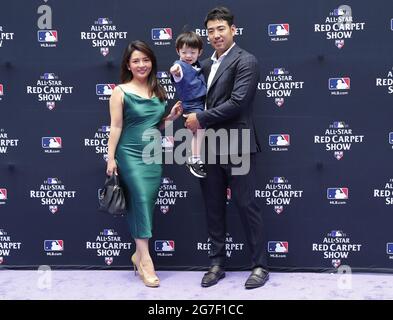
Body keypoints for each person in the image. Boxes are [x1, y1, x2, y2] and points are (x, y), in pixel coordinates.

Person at [185, 7, 269, 289]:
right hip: (209, 146)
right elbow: (196, 97)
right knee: (213, 206)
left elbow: (238, 103)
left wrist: (200, 118)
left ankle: (259, 265)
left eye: (221, 28)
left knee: (246, 205)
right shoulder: (205, 65)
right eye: (210, 30)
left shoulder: (247, 61)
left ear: (233, 30)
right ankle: (217, 262)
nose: (216, 34)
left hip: (237, 145)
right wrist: (183, 109)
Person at [106, 40, 182, 288]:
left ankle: (137, 254)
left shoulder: (159, 90)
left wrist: (169, 118)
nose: (141, 65)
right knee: (138, 198)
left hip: (152, 154)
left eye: (145, 60)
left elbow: (155, 125)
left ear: (152, 62)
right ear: (128, 65)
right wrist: (110, 158)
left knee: (146, 203)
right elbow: (116, 126)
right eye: (136, 60)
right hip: (128, 153)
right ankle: (145, 261)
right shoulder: (120, 91)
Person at [170, 31, 207, 178]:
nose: (188, 55)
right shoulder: (180, 65)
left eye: (192, 52)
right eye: (184, 52)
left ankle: (195, 158)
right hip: (192, 105)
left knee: (198, 132)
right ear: (178, 51)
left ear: (200, 52)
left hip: (200, 103)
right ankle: (194, 159)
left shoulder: (197, 66)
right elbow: (177, 72)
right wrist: (175, 71)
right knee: (199, 131)